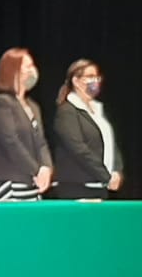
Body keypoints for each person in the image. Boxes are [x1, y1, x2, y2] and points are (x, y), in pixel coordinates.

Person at [0, 48, 52, 201]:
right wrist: (36, 170)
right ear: (13, 71)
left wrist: (46, 168)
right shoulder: (2, 103)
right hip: (8, 179)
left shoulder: (33, 106)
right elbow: (10, 141)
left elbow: (41, 142)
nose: (32, 70)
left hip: (31, 182)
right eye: (28, 66)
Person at [51, 59, 122, 200]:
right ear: (76, 81)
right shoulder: (67, 111)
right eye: (90, 76)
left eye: (97, 76)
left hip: (100, 187)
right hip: (77, 187)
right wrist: (106, 176)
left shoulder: (98, 110)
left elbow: (111, 144)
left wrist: (116, 171)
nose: (95, 81)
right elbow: (78, 149)